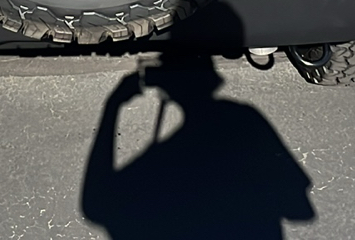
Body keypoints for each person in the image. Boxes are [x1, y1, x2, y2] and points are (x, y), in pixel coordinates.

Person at [80, 54, 314, 239]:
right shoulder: (243, 118)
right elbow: (298, 205)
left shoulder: (170, 156)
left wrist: (113, 106)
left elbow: (96, 205)